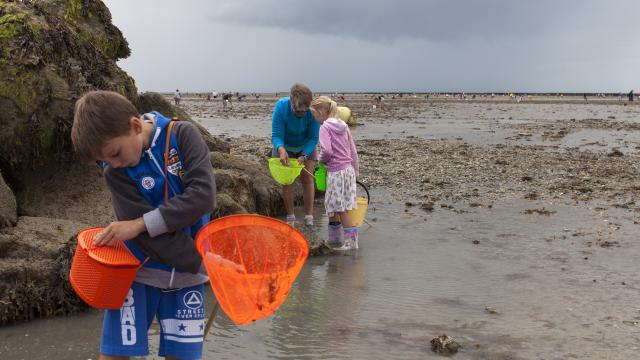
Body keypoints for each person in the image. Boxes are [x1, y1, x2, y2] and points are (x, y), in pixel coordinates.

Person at [70, 90, 216, 360]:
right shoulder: (115, 173)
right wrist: (206, 262)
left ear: (135, 126)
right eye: (104, 160)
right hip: (136, 274)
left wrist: (139, 224)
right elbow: (148, 239)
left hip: (189, 278)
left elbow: (204, 197)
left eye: (115, 153)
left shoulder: (182, 135)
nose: (113, 164)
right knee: (114, 355)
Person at [310, 96, 360, 250]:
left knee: (340, 208)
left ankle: (351, 241)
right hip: (348, 170)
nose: (315, 120)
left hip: (337, 172)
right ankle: (334, 239)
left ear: (321, 112)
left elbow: (327, 151)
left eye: (315, 116)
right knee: (332, 204)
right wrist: (356, 170)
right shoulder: (343, 125)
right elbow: (353, 150)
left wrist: (320, 161)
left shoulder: (324, 127)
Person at [271, 83, 319, 226]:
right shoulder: (281, 107)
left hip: (306, 146)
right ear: (291, 102)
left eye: (304, 112)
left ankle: (309, 218)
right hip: (284, 146)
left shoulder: (312, 111)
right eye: (297, 112)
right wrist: (281, 149)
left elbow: (314, 137)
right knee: (287, 181)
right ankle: (291, 217)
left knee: (307, 179)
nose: (301, 115)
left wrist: (304, 154)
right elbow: (276, 135)